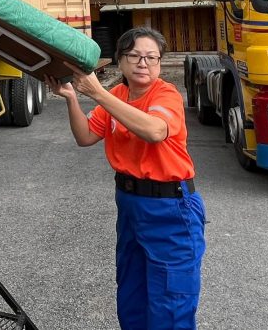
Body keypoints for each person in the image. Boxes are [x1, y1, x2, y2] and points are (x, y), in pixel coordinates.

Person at [47, 27, 206, 330]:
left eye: (151, 57)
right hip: (130, 205)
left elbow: (155, 131)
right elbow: (85, 136)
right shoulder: (117, 95)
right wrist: (71, 98)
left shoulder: (165, 95)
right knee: (132, 296)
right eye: (134, 55)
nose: (142, 63)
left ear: (160, 64)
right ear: (120, 61)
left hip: (171, 209)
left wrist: (96, 92)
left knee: (170, 304)